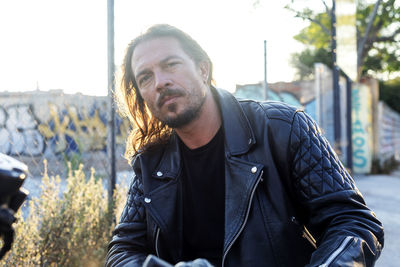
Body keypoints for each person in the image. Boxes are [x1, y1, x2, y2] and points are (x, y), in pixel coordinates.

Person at [106, 24, 384, 267]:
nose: (160, 82)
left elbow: (353, 223)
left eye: (171, 64)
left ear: (203, 69)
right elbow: (124, 248)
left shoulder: (282, 128)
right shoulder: (151, 161)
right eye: (145, 77)